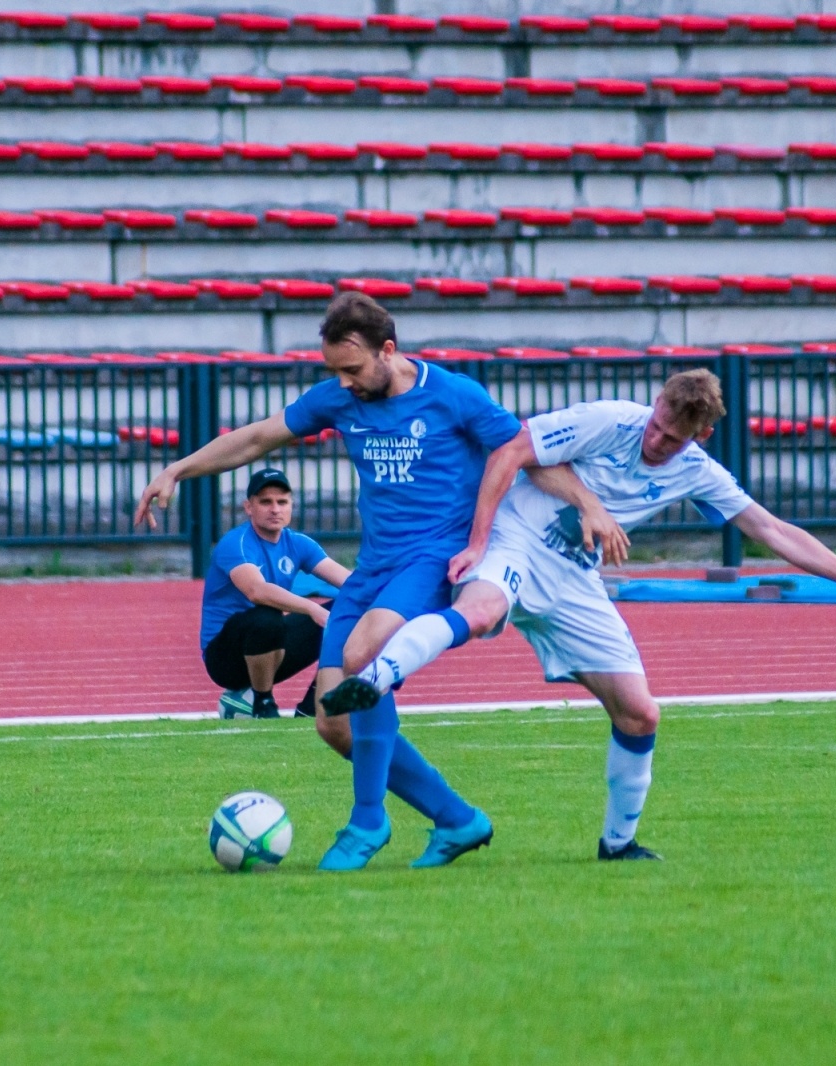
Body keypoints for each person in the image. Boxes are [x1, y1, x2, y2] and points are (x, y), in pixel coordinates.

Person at [324, 369, 836, 860]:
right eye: (658, 422)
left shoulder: (697, 471)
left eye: (672, 437)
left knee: (640, 714)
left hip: (575, 578)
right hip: (516, 540)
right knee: (480, 611)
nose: (656, 439)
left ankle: (618, 844)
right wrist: (479, 543)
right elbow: (511, 450)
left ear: (702, 434)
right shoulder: (609, 420)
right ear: (656, 401)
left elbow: (769, 529)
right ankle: (377, 676)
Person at [138, 292, 549, 871]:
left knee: (364, 654)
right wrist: (177, 468)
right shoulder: (339, 398)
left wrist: (586, 507)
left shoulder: (454, 395)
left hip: (431, 560)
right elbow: (258, 437)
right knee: (333, 723)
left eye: (352, 368)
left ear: (388, 350)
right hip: (373, 565)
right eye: (334, 370)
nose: (344, 382)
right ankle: (458, 819)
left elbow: (527, 450)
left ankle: (367, 822)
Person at [200, 467, 351, 719]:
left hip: (271, 647)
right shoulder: (235, 542)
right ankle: (263, 703)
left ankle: (313, 706)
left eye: (282, 502)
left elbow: (352, 584)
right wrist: (312, 608)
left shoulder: (298, 543)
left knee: (351, 608)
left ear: (291, 506)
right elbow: (256, 591)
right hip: (225, 658)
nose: (275, 509)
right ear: (249, 507)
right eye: (265, 502)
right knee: (266, 616)